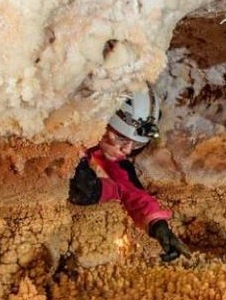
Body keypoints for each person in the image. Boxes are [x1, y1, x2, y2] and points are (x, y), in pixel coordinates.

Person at [68, 88, 191, 262]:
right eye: (121, 139)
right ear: (102, 121)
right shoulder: (69, 140)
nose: (127, 149)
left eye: (136, 144)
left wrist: (157, 225)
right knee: (83, 188)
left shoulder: (104, 141)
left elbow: (130, 187)